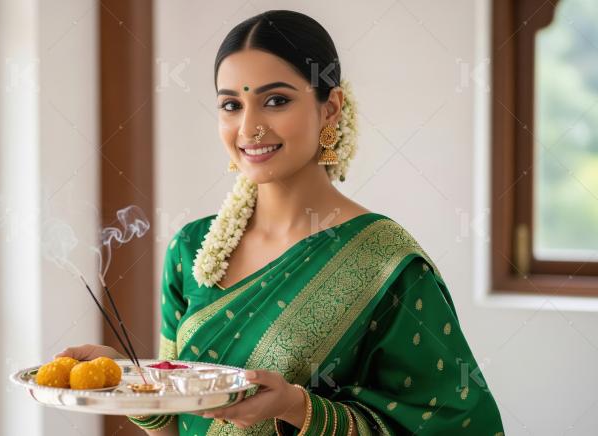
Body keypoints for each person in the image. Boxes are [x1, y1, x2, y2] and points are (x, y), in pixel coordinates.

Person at [58, 9, 504, 436]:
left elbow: (457, 426)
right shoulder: (191, 247)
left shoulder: (384, 261)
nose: (248, 128)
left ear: (330, 108)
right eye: (231, 105)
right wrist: (128, 380)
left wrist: (298, 408)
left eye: (275, 100)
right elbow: (175, 424)